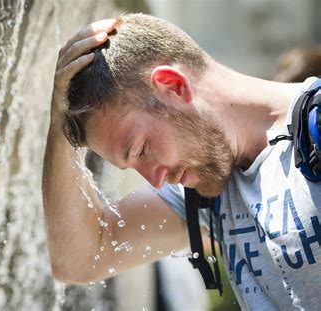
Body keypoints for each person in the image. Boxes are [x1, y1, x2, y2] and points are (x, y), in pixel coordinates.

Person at [42, 13, 321, 309]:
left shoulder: (311, 126)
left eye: (142, 150)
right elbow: (81, 259)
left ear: (174, 86)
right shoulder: (207, 184)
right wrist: (62, 125)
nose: (156, 180)